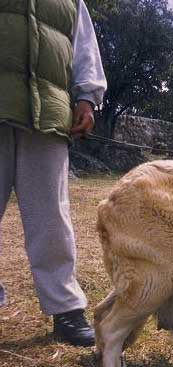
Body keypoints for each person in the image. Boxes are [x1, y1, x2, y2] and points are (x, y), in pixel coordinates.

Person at [0, 0, 107, 346]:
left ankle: (66, 308)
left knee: (52, 218)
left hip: (46, 116)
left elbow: (84, 49)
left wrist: (87, 99)